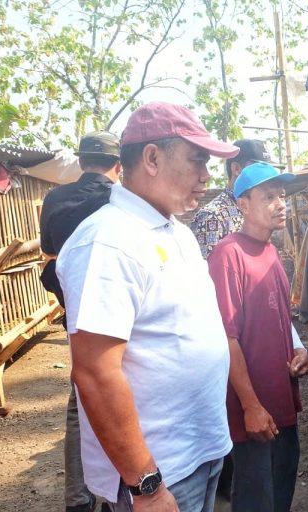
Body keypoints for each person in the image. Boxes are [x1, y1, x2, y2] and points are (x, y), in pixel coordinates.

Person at [56, 102, 239, 512]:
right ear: (152, 158)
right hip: (162, 472)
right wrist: (148, 486)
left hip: (200, 452)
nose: (206, 176)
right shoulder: (107, 242)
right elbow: (96, 374)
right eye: (197, 160)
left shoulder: (174, 230)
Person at [207, 162, 308, 512]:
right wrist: (250, 406)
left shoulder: (271, 251)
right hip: (253, 407)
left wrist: (298, 348)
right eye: (268, 197)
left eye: (282, 195)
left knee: (281, 488)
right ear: (243, 204)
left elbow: (280, 316)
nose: (280, 204)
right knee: (255, 496)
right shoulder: (228, 254)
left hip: (281, 398)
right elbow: (226, 336)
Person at [39, 131, 122, 512]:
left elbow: (51, 258)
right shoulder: (116, 201)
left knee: (81, 405)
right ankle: (115, 493)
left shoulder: (54, 198)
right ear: (119, 165)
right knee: (119, 400)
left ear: (81, 161)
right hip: (116, 318)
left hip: (77, 318)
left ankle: (78, 499)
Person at [190, 139, 276, 258]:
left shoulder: (260, 210)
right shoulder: (212, 217)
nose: (267, 176)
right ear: (236, 169)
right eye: (258, 170)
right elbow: (206, 271)